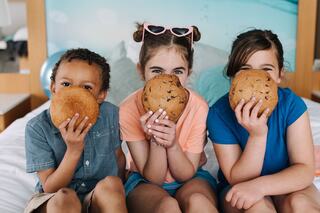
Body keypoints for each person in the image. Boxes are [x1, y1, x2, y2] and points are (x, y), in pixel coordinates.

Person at [207, 29, 320, 212]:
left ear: (279, 75)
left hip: (288, 182)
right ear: (233, 75)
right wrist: (257, 136)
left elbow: (305, 170)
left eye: (266, 69)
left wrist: (261, 187)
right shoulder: (218, 114)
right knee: (258, 207)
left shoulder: (291, 105)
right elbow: (238, 179)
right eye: (245, 70)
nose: (255, 79)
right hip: (240, 186)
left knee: (301, 204)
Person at [119, 23, 218, 213]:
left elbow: (186, 174)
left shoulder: (199, 107)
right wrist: (157, 140)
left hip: (192, 176)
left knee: (199, 202)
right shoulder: (128, 109)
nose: (167, 80)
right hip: (145, 181)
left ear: (188, 72)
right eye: (157, 71)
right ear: (141, 71)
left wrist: (172, 145)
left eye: (177, 71)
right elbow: (154, 178)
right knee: (167, 207)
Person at [24, 48, 127, 213]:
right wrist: (73, 150)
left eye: (86, 87)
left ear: (101, 95)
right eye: (66, 84)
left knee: (113, 184)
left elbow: (118, 157)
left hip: (95, 196)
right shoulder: (37, 128)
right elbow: (50, 187)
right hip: (54, 199)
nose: (75, 92)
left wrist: (120, 191)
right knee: (65, 196)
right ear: (53, 87)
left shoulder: (111, 115)